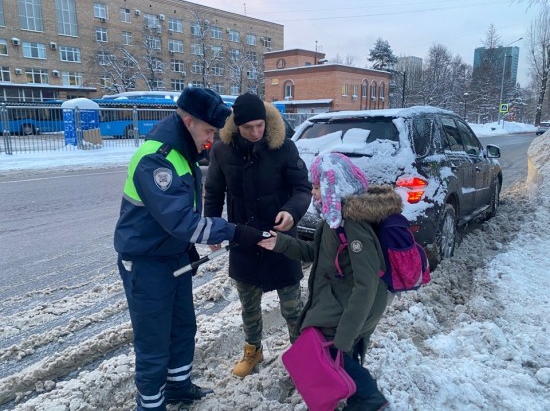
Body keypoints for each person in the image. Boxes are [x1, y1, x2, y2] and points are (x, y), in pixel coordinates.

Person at [114, 87, 266, 411]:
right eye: (208, 130)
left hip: (171, 255)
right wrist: (234, 231)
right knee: (154, 338)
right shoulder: (157, 159)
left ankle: (178, 386)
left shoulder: (183, 153)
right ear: (188, 121)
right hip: (145, 261)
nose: (211, 139)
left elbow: (187, 216)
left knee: (183, 326)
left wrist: (194, 242)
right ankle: (151, 404)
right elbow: (183, 221)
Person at [259, 152, 403, 411]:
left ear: (334, 187)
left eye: (317, 186)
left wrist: (346, 334)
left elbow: (366, 283)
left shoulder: (353, 225)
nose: (313, 192)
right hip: (339, 299)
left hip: (355, 305)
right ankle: (359, 398)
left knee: (333, 350)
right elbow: (317, 253)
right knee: (337, 352)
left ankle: (371, 399)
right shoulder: (333, 221)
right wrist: (280, 243)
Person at [203, 92, 312, 378]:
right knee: (249, 308)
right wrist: (213, 226)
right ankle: (253, 352)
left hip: (282, 240)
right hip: (243, 240)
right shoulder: (221, 151)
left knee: (293, 308)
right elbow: (214, 191)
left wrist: (291, 212)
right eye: (247, 127)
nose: (255, 132)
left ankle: (305, 357)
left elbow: (302, 189)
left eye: (259, 126)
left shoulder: (284, 148)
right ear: (235, 126)